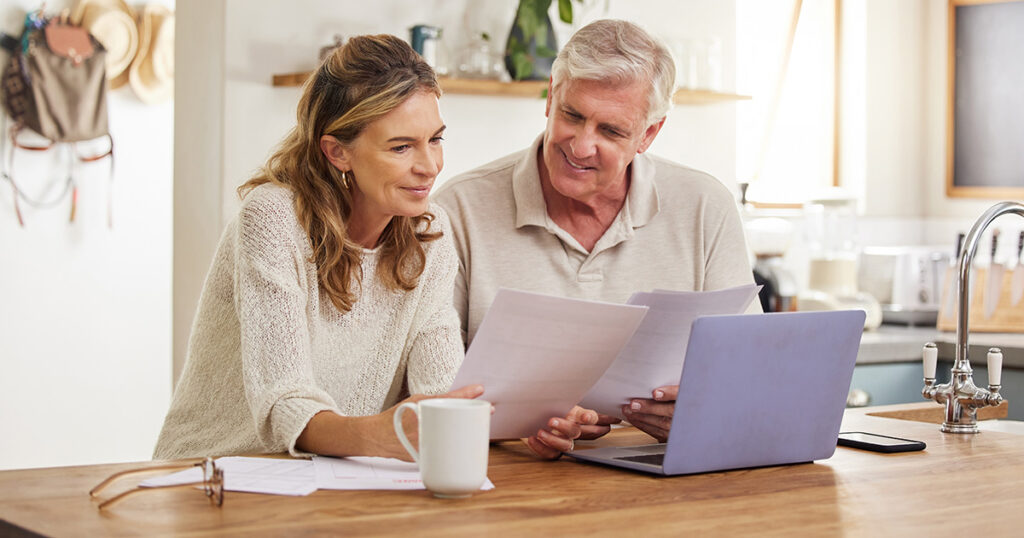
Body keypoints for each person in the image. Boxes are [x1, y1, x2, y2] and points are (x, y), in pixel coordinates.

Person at [433, 20, 758, 458]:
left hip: (662, 481)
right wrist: (514, 422)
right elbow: (430, 389)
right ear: (551, 97)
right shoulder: (458, 208)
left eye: (610, 131)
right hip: (506, 478)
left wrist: (703, 406)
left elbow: (749, 369)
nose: (581, 146)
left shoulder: (704, 206)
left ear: (647, 134)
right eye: (572, 115)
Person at [154, 34, 481, 461]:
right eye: (401, 147)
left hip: (337, 478)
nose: (430, 166)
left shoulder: (428, 233)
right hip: (215, 473)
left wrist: (520, 419)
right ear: (337, 152)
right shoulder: (273, 220)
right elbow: (283, 402)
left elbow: (444, 390)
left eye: (435, 139)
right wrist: (379, 437)